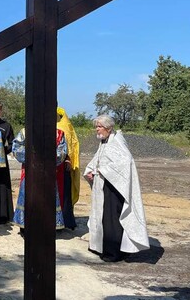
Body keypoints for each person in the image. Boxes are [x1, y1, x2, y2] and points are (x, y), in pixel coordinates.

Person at [84, 115, 149, 262]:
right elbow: (98, 160)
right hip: (105, 185)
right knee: (103, 217)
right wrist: (91, 170)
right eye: (96, 126)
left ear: (108, 128)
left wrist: (103, 171)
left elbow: (125, 162)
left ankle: (114, 252)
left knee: (112, 219)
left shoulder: (117, 141)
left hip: (115, 188)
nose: (97, 129)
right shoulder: (105, 142)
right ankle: (102, 247)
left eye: (99, 126)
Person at [11, 127, 68, 234]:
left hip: (49, 171)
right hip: (30, 170)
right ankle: (25, 226)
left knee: (49, 197)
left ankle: (50, 226)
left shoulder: (59, 133)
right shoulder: (25, 131)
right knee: (29, 196)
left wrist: (47, 158)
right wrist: (34, 157)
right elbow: (16, 147)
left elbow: (62, 151)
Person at [57, 107, 80, 230]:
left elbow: (71, 146)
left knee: (64, 194)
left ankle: (66, 221)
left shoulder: (64, 126)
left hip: (62, 166)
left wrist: (68, 159)